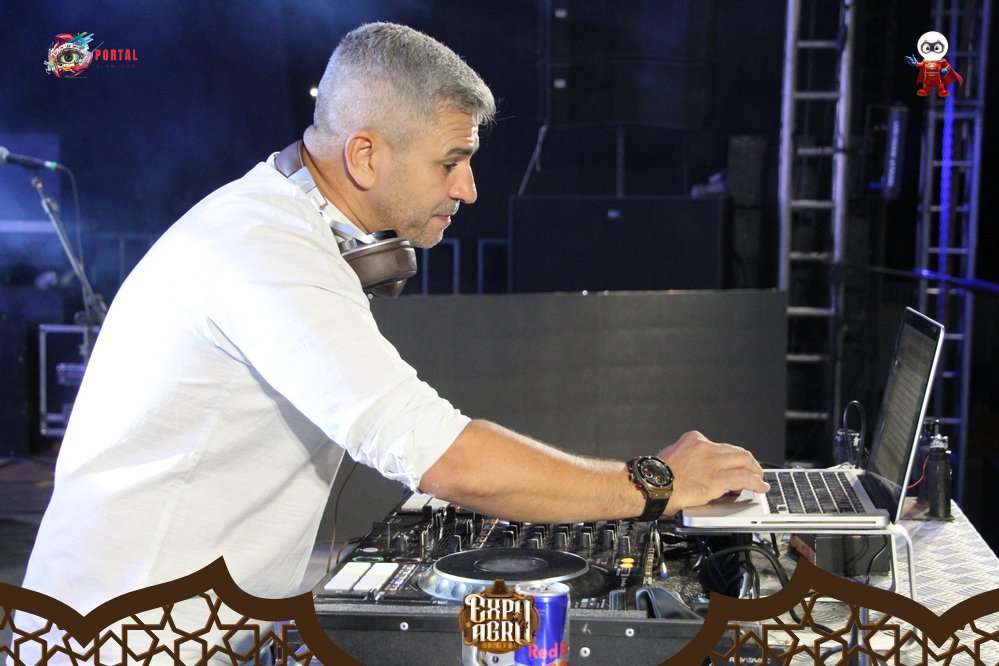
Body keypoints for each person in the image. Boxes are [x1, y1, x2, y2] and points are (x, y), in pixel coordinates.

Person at [14, 22, 768, 663]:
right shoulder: (265, 253)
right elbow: (443, 457)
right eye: (450, 162)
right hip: (124, 642)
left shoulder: (284, 227)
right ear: (366, 155)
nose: (468, 188)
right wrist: (653, 484)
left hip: (194, 633)